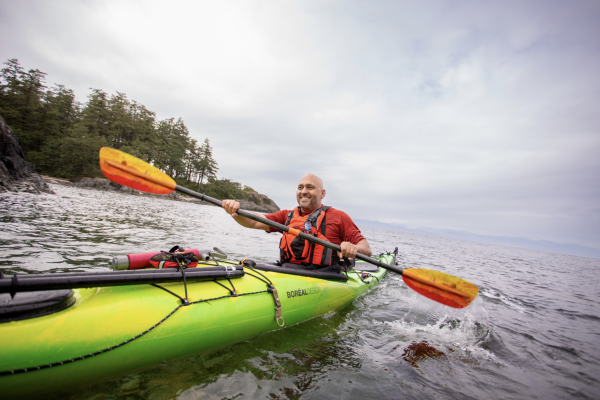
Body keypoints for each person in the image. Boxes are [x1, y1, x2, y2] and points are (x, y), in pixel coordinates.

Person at [222, 173, 371, 271]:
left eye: (310, 187)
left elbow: (366, 249)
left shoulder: (339, 217)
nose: (304, 191)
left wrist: (353, 248)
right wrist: (236, 211)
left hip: (326, 275)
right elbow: (254, 221)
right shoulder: (287, 216)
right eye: (300, 187)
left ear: (322, 193)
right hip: (288, 270)